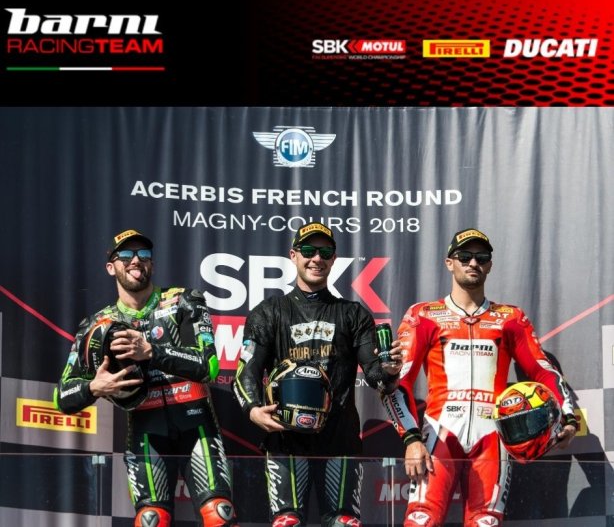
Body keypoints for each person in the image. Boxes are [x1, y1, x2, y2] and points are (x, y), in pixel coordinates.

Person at [382, 228, 578, 527]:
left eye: (481, 257)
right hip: (439, 433)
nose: (473, 263)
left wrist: (568, 415)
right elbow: (398, 382)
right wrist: (410, 438)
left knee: (486, 522)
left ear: (490, 265)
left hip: (493, 437)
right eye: (464, 257)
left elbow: (542, 370)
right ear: (450, 263)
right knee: (422, 520)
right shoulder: (424, 315)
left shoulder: (510, 318)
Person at [55, 229, 239, 527]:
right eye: (126, 255)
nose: (135, 260)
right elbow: (61, 398)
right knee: (151, 520)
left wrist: (151, 351)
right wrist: (94, 387)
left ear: (152, 263)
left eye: (143, 254)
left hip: (197, 425)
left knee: (219, 514)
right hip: (145, 430)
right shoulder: (96, 325)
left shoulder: (184, 300)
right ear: (111, 267)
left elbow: (209, 367)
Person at [232, 221, 402, 527]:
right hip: (285, 437)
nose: (316, 259)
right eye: (309, 250)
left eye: (325, 252)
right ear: (294, 255)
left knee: (343, 522)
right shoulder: (268, 311)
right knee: (287, 522)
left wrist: (388, 372)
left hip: (339, 438)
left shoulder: (353, 314)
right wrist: (253, 409)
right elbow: (247, 369)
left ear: (334, 259)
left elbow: (375, 373)